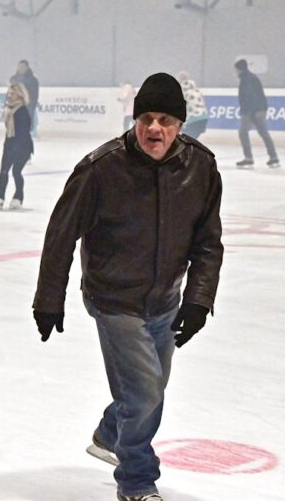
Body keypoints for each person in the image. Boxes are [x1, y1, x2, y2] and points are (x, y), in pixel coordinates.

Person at [32, 72, 223, 501]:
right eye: (147, 118)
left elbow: (208, 242)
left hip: (166, 300)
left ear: (180, 125)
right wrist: (49, 300)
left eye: (166, 120)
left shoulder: (201, 166)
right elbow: (61, 235)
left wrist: (198, 299)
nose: (155, 128)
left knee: (149, 392)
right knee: (144, 394)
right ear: (135, 120)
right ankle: (137, 481)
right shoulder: (102, 168)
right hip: (114, 299)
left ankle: (108, 434)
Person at [0, 83, 34, 210]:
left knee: (16, 171)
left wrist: (17, 147)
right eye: (8, 93)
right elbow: (9, 131)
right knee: (3, 171)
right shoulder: (8, 109)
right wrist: (8, 146)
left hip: (23, 146)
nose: (9, 95)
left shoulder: (22, 111)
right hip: (9, 144)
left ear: (19, 95)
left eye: (12, 93)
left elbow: (24, 132)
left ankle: (18, 197)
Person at [233, 59, 279, 168]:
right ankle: (273, 157)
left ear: (239, 69)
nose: (234, 71)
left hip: (253, 111)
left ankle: (249, 158)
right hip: (257, 110)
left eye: (235, 69)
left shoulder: (247, 79)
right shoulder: (250, 77)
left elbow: (250, 96)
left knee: (243, 132)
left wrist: (248, 112)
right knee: (263, 133)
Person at [10, 59, 40, 139]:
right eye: (19, 66)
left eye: (22, 67)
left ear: (27, 67)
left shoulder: (33, 80)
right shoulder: (13, 79)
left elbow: (34, 93)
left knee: (32, 117)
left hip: (29, 103)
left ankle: (32, 133)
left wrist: (30, 102)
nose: (20, 68)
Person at [176, 72, 208, 140]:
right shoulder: (196, 89)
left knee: (183, 142)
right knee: (189, 142)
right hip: (203, 118)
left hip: (193, 120)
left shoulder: (182, 90)